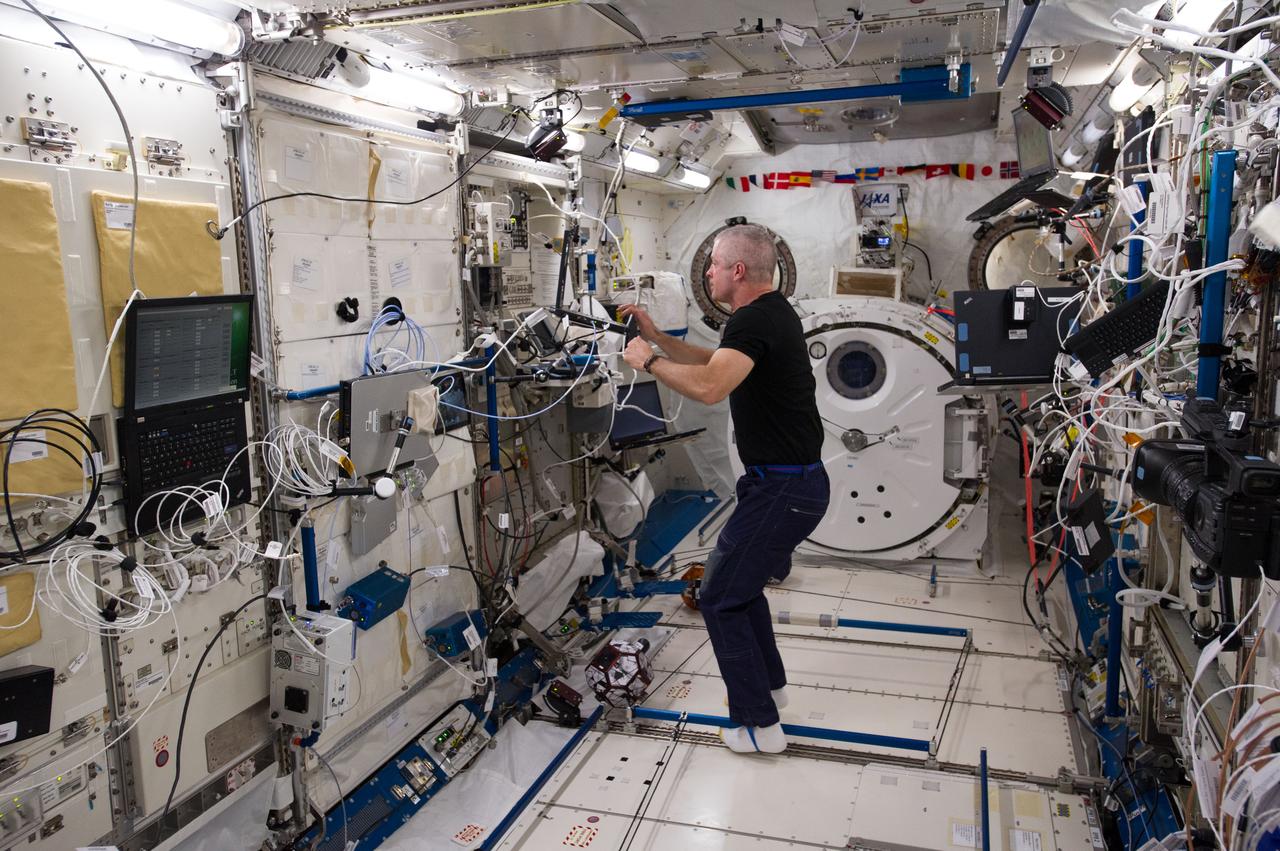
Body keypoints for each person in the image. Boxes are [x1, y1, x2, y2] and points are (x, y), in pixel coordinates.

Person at [620, 223, 829, 754]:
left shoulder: (755, 319)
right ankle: (772, 692)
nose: (707, 271)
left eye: (713, 263)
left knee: (718, 598)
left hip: (781, 491)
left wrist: (649, 363)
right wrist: (657, 338)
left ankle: (758, 729)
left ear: (738, 271)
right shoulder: (767, 314)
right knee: (741, 589)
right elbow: (714, 363)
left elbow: (711, 387)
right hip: (790, 486)